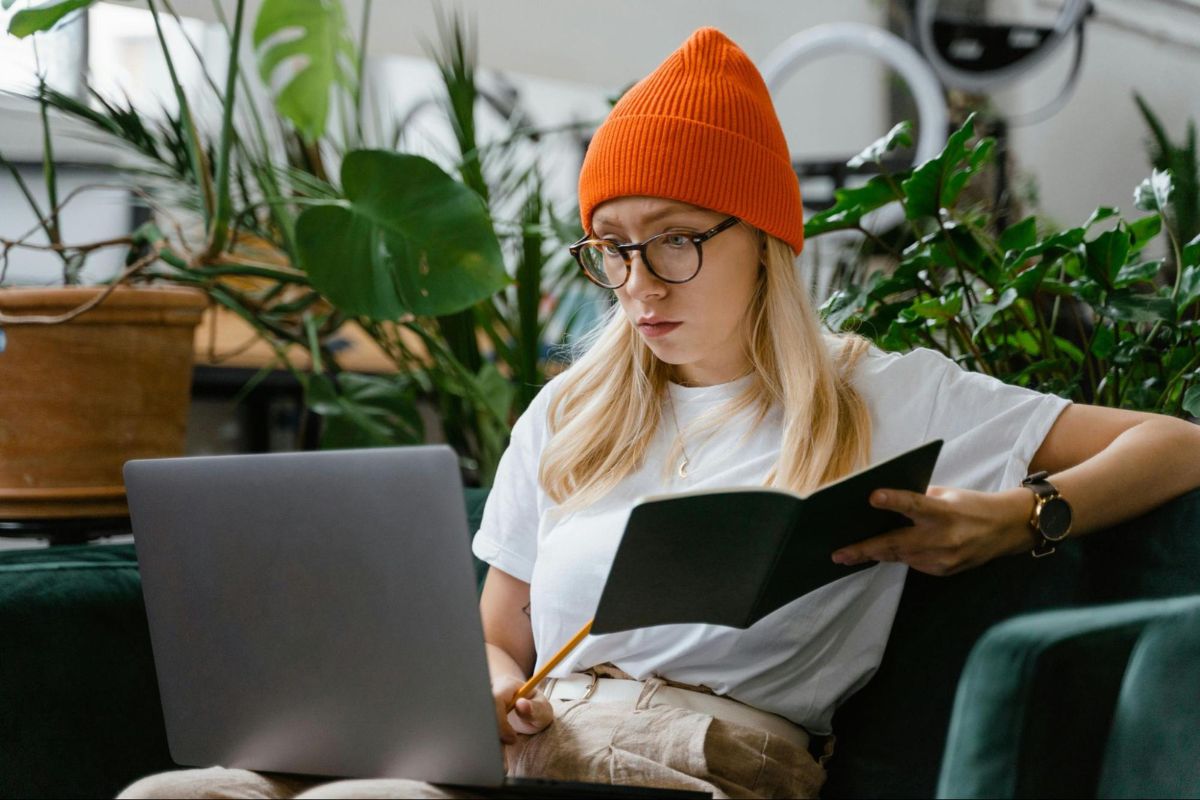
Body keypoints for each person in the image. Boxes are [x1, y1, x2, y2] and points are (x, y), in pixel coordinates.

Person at [120, 26, 1200, 800]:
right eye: (613, 242)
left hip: (703, 757)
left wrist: (1021, 517)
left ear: (765, 238)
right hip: (529, 745)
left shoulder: (885, 388)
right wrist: (495, 692)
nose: (638, 280)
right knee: (179, 791)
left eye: (677, 236)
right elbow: (498, 637)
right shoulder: (571, 411)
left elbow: (1178, 441)